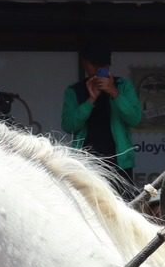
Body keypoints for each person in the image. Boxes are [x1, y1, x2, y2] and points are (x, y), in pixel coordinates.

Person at [61, 47, 143, 184]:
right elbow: (68, 126)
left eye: (103, 66)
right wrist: (90, 100)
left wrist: (114, 92)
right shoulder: (74, 91)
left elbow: (135, 119)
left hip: (119, 164)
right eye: (94, 65)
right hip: (85, 165)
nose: (98, 70)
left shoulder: (122, 86)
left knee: (123, 203)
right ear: (85, 64)